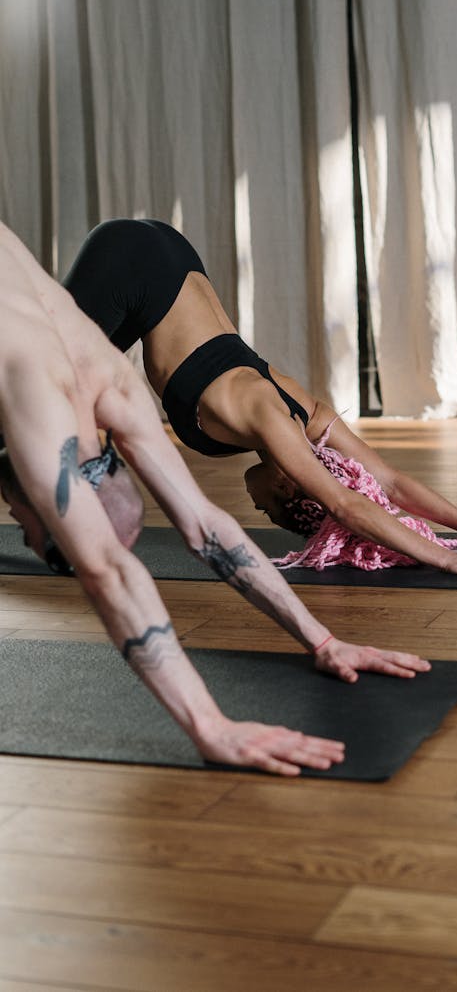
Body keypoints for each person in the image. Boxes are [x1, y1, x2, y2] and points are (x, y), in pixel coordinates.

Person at [0, 219, 431, 776]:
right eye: (31, 533)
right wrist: (210, 727)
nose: (13, 521)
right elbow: (107, 568)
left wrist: (324, 641)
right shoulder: (82, 387)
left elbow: (206, 525)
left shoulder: (78, 384)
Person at [64, 219, 457, 579]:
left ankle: (52, 513)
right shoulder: (275, 419)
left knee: (61, 385)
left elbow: (388, 483)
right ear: (290, 489)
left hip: (166, 263)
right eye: (270, 513)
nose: (257, 508)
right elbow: (350, 502)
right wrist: (450, 557)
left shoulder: (309, 415)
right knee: (36, 381)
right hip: (134, 259)